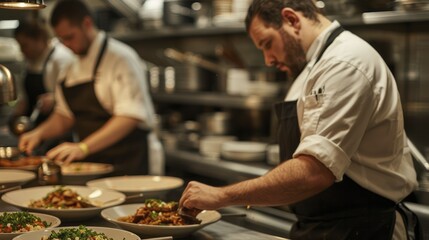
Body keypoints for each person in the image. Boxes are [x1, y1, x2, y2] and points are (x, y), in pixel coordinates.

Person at [179, 0, 419, 239]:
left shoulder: (344, 62)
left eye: (267, 44)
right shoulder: (312, 67)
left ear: (292, 20)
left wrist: (223, 196)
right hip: (323, 227)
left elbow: (313, 172)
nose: (268, 60)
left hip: (364, 229)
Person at [19, 0, 161, 176]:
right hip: (95, 163)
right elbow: (65, 116)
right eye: (61, 40)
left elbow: (129, 117)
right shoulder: (69, 68)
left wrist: (83, 147)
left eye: (70, 37)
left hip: (131, 162)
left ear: (87, 24)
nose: (66, 45)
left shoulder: (121, 59)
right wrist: (39, 133)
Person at [11, 19, 74, 127]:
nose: (22, 50)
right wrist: (14, 118)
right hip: (31, 124)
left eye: (25, 45)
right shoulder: (30, 60)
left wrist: (54, 98)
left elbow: (73, 96)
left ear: (39, 39)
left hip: (55, 125)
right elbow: (25, 99)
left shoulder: (61, 58)